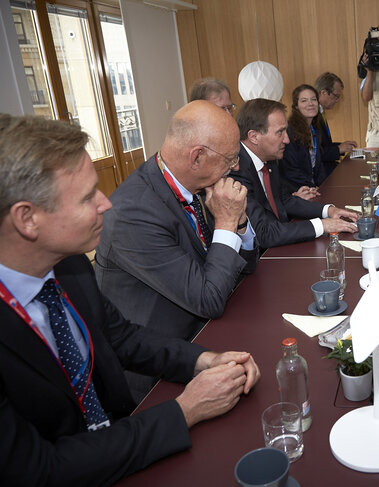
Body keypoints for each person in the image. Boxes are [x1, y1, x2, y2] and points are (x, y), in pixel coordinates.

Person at [0, 113, 260, 486]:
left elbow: (122, 337)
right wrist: (184, 411)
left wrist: (206, 359)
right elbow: (40, 469)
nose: (107, 204)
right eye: (88, 197)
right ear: (27, 219)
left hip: (124, 441)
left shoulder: (70, 265)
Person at [95, 101, 258, 396]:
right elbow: (208, 299)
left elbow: (248, 265)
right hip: (157, 375)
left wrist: (240, 222)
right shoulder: (134, 213)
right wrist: (225, 222)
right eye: (231, 158)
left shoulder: (198, 185)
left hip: (207, 334)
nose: (236, 166)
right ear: (197, 157)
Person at [230, 98, 359, 250]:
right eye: (280, 132)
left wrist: (328, 210)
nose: (287, 139)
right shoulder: (237, 171)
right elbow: (264, 233)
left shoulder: (268, 158)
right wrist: (321, 225)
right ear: (254, 136)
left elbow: (284, 200)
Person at [280, 84, 327, 193]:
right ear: (296, 106)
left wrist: (325, 186)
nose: (310, 103)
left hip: (313, 188)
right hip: (298, 191)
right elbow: (290, 171)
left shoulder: (314, 129)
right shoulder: (290, 132)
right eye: (304, 100)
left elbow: (318, 165)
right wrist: (311, 187)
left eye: (313, 99)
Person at [315, 72, 358, 177]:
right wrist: (338, 149)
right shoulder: (312, 116)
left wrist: (342, 146)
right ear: (324, 92)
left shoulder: (321, 112)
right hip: (320, 174)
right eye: (336, 96)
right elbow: (315, 153)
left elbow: (324, 145)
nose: (337, 100)